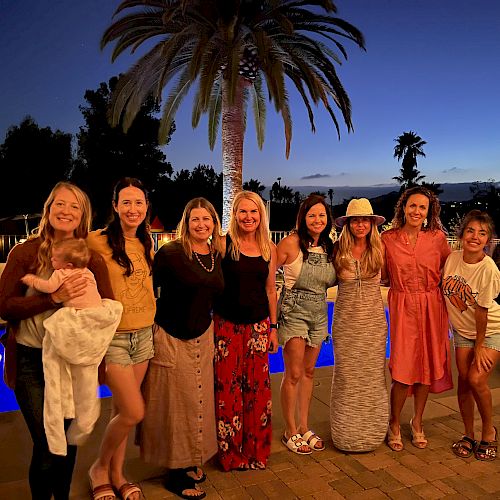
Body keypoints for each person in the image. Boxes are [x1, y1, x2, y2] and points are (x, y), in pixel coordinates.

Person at [0, 182, 114, 500]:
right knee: (48, 441)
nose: (65, 211)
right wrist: (53, 298)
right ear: (49, 210)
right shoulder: (24, 253)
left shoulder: (92, 260)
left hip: (72, 364)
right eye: (59, 204)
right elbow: (4, 305)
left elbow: (108, 311)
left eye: (74, 206)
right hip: (30, 361)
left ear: (83, 216)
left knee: (66, 442)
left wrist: (96, 358)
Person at [139, 198, 224, 499]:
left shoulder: (215, 254)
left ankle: (188, 460)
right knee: (173, 406)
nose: (201, 224)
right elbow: (147, 290)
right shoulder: (171, 253)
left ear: (214, 223)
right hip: (172, 335)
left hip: (203, 335)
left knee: (196, 402)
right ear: (185, 223)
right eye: (195, 219)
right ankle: (173, 474)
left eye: (207, 219)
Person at [21, 238, 122, 457]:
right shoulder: (87, 272)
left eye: (54, 259)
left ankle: (61, 431)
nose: (51, 260)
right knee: (86, 382)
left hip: (77, 321)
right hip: (95, 320)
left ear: (66, 265)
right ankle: (86, 421)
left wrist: (31, 280)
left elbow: (47, 287)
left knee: (58, 332)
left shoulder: (62, 274)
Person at [87, 178, 155, 500]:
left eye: (138, 202)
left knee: (120, 412)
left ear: (146, 207)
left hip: (143, 335)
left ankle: (117, 473)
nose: (133, 209)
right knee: (133, 411)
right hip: (113, 337)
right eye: (126, 202)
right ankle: (99, 468)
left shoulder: (146, 242)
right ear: (115, 206)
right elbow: (61, 255)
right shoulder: (96, 241)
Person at [382, 186, 452, 452]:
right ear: (403, 207)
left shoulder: (437, 238)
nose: (416, 211)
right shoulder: (388, 239)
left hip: (432, 307)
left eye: (422, 207)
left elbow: (452, 271)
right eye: (412, 205)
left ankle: (418, 421)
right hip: (403, 306)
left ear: (429, 212)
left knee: (425, 369)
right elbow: (377, 271)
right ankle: (394, 423)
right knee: (402, 369)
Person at [213, 190, 278, 471]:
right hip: (226, 327)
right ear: (235, 215)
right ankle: (230, 454)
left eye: (253, 212)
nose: (248, 217)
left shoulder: (268, 248)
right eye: (243, 211)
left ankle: (256, 451)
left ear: (260, 215)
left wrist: (273, 328)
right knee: (227, 392)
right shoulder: (223, 244)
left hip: (259, 327)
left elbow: (270, 290)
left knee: (257, 392)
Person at [276, 194, 336, 454]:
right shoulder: (290, 243)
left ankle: (303, 426)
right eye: (312, 215)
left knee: (310, 372)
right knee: (294, 373)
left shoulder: (329, 247)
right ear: (302, 218)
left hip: (320, 312)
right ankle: (289, 429)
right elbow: (266, 274)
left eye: (321, 215)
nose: (317, 219)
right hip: (294, 310)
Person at [329, 199, 388, 451]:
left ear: (372, 223)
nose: (360, 224)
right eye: (355, 220)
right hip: (345, 323)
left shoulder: (380, 249)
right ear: (348, 224)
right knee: (347, 377)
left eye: (365, 219)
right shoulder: (337, 249)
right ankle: (345, 432)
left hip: (373, 323)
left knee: (373, 377)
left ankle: (373, 432)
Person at [442, 210, 499, 461]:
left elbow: (483, 312)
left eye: (482, 233)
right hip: (462, 332)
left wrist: (479, 346)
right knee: (464, 380)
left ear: (488, 240)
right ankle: (468, 434)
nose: (475, 237)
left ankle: (489, 432)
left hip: (490, 330)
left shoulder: (488, 269)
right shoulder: (452, 259)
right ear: (462, 234)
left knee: (476, 379)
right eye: (471, 230)